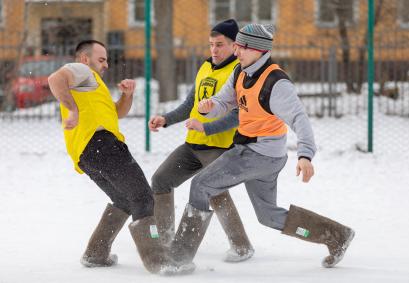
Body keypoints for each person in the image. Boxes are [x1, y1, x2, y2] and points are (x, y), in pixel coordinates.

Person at [168, 24, 355, 269]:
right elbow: (226, 100)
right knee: (268, 216)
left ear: (258, 50)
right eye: (237, 46)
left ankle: (180, 258)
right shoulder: (241, 72)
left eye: (242, 47)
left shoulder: (276, 83)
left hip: (257, 154)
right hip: (263, 155)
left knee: (201, 185)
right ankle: (336, 235)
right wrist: (210, 105)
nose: (237, 52)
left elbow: (300, 119)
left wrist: (305, 155)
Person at [48, 40, 191, 275]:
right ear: (85, 59)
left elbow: (117, 113)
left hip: (89, 154)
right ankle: (158, 261)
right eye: (101, 59)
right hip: (102, 145)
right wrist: (71, 109)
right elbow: (55, 79)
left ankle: (96, 254)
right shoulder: (82, 70)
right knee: (144, 197)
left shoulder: (92, 84)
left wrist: (127, 95)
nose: (105, 65)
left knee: (125, 200)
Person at [148, 19, 254, 262]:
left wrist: (207, 127)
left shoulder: (239, 72)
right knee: (161, 180)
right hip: (192, 145)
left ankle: (241, 246)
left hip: (219, 147)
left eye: (219, 45)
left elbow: (239, 115)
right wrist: (166, 119)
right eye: (211, 45)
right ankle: (164, 240)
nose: (214, 50)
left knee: (215, 192)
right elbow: (190, 105)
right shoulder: (205, 67)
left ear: (234, 46)